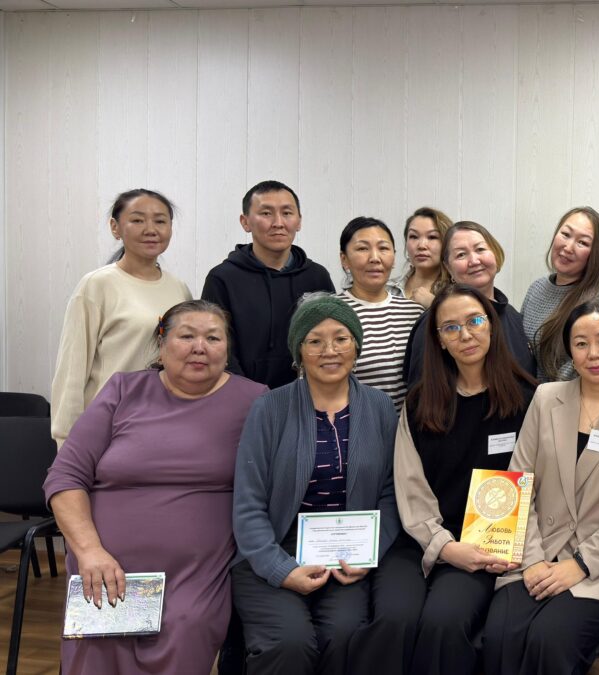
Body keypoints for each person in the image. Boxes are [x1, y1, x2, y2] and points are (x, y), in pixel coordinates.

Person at [44, 300, 267, 675]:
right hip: (104, 561)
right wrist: (89, 551)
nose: (200, 347)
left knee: (186, 627)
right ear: (161, 345)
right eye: (187, 336)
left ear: (227, 350)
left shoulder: (255, 400)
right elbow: (65, 476)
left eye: (213, 338)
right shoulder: (123, 390)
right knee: (98, 647)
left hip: (195, 572)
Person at [482, 301, 599, 675]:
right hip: (534, 554)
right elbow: (519, 482)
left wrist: (580, 564)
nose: (593, 353)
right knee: (501, 635)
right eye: (581, 343)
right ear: (570, 350)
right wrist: (533, 559)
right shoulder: (546, 397)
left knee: (550, 639)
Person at [231, 293, 403, 675]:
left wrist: (368, 553)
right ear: (299, 351)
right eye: (315, 341)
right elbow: (248, 503)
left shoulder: (379, 406)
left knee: (345, 635)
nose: (330, 351)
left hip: (347, 552)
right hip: (274, 546)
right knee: (288, 643)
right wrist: (280, 569)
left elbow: (392, 492)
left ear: (356, 346)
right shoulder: (269, 407)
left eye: (341, 338)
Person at [392, 284, 538, 674]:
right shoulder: (419, 402)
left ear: (492, 325)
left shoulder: (529, 399)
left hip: (496, 546)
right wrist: (445, 545)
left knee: (443, 621)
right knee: (397, 619)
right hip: (430, 539)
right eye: (451, 328)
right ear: (439, 340)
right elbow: (410, 487)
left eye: (474, 321)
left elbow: (540, 486)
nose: (466, 335)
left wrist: (505, 549)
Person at [50, 188, 192, 446]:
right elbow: (71, 372)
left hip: (164, 425)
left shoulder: (179, 289)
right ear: (115, 228)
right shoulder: (97, 285)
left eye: (160, 221)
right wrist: (66, 441)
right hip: (108, 427)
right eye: (137, 220)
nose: (151, 229)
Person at [202, 180, 335, 389]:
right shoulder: (222, 278)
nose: (278, 223)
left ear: (299, 221)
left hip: (309, 395)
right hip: (242, 395)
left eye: (287, 213)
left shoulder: (317, 276)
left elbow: (331, 338)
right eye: (266, 213)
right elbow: (216, 344)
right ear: (245, 222)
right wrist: (246, 393)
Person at [404, 221, 536, 384]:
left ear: (495, 253)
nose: (474, 260)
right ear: (448, 267)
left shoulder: (513, 316)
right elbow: (421, 391)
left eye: (480, 249)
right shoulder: (434, 321)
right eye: (461, 255)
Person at [334, 216, 423, 412]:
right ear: (344, 259)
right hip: (354, 426)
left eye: (383, 248)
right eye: (362, 248)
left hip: (407, 427)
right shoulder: (331, 313)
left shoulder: (414, 312)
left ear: (394, 256)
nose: (375, 258)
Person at [521, 206, 599, 381]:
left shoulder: (597, 301)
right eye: (565, 234)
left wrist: (542, 395)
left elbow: (582, 369)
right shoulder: (536, 288)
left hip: (563, 396)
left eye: (583, 243)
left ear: (595, 254)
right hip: (524, 393)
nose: (568, 247)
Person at [400, 206, 453, 307]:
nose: (421, 245)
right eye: (414, 236)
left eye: (432, 237)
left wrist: (433, 305)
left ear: (447, 243)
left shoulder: (457, 292)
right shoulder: (387, 289)